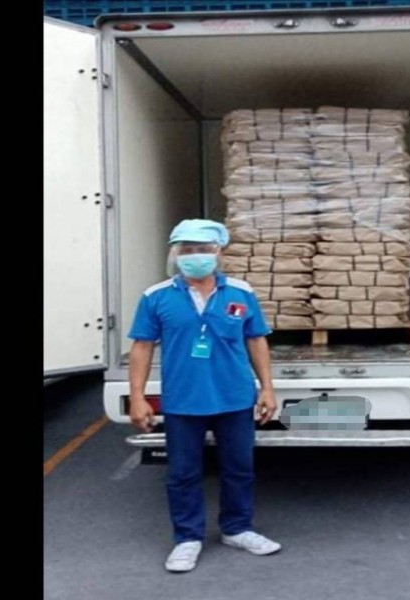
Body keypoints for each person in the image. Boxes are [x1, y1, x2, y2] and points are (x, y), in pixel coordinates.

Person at [127, 218, 281, 573]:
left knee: (239, 469)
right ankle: (187, 538)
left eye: (203, 249)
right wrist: (137, 396)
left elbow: (256, 340)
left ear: (218, 252)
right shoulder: (156, 296)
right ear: (175, 253)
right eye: (187, 249)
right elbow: (142, 347)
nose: (195, 256)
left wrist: (267, 388)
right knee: (183, 472)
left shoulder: (241, 293)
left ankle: (237, 528)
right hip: (183, 400)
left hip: (234, 397)